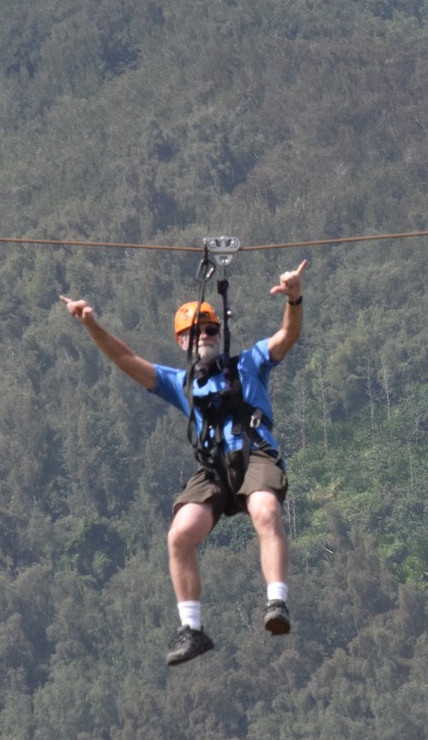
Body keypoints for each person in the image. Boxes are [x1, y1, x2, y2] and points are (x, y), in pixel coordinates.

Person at [59, 259, 307, 665]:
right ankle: (192, 628)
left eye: (211, 329)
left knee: (265, 509)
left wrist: (294, 299)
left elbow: (286, 336)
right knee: (179, 535)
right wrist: (91, 324)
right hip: (212, 467)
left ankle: (276, 603)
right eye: (196, 332)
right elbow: (126, 360)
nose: (206, 336)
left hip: (255, 453)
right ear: (182, 342)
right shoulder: (181, 383)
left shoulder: (250, 363)